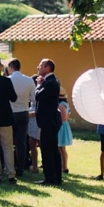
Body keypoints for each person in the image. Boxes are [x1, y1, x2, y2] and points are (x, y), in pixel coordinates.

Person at [35, 58, 62, 186]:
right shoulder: (50, 81)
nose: (38, 67)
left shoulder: (50, 82)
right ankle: (55, 177)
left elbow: (38, 96)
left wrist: (39, 85)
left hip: (49, 121)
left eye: (40, 65)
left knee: (47, 150)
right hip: (49, 121)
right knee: (52, 149)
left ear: (47, 68)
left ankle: (50, 177)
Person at [7, 58, 35, 177]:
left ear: (11, 68)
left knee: (8, 142)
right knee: (21, 142)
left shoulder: (8, 80)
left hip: (10, 112)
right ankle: (20, 169)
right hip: (24, 112)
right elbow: (33, 98)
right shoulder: (29, 80)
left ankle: (10, 166)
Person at [57, 86, 73, 173]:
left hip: (61, 126)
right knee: (62, 148)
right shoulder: (66, 104)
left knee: (61, 148)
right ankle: (63, 166)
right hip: (64, 125)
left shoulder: (61, 105)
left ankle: (63, 166)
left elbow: (63, 117)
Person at [27, 75, 41, 173]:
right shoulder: (33, 92)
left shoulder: (38, 92)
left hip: (36, 119)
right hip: (32, 120)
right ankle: (34, 165)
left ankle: (36, 165)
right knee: (32, 143)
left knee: (37, 142)